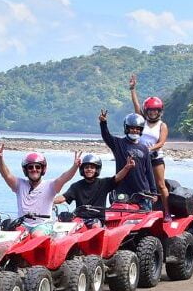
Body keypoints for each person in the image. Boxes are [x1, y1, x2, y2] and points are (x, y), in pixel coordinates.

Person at [0, 144, 80, 236]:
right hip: (22, 224)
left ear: (42, 169)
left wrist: (75, 166)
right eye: (30, 167)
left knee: (37, 235)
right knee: (11, 235)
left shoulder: (51, 185)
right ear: (26, 170)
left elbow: (64, 177)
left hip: (43, 225)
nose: (34, 169)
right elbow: (6, 174)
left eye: (38, 167)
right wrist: (0, 159)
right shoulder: (19, 184)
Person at [129, 74, 172, 220]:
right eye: (150, 110)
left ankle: (167, 212)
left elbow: (161, 143)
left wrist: (150, 149)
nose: (153, 113)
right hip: (140, 158)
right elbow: (136, 106)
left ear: (160, 111)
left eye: (156, 110)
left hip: (155, 158)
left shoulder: (162, 125)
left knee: (160, 185)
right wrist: (133, 89)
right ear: (146, 111)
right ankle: (143, 211)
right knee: (141, 185)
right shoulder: (142, 121)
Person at [99, 110, 158, 209]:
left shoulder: (144, 149)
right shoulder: (118, 143)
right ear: (126, 129)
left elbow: (149, 171)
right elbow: (106, 136)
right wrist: (103, 123)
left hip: (143, 193)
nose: (134, 131)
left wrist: (154, 192)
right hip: (123, 192)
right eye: (132, 128)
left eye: (137, 129)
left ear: (141, 130)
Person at [54, 153, 135, 220]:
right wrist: (48, 201)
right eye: (86, 167)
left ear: (97, 170)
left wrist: (127, 168)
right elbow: (63, 198)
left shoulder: (103, 183)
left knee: (95, 226)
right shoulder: (76, 186)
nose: (89, 169)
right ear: (83, 170)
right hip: (80, 219)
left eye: (92, 167)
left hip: (97, 219)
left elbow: (117, 177)